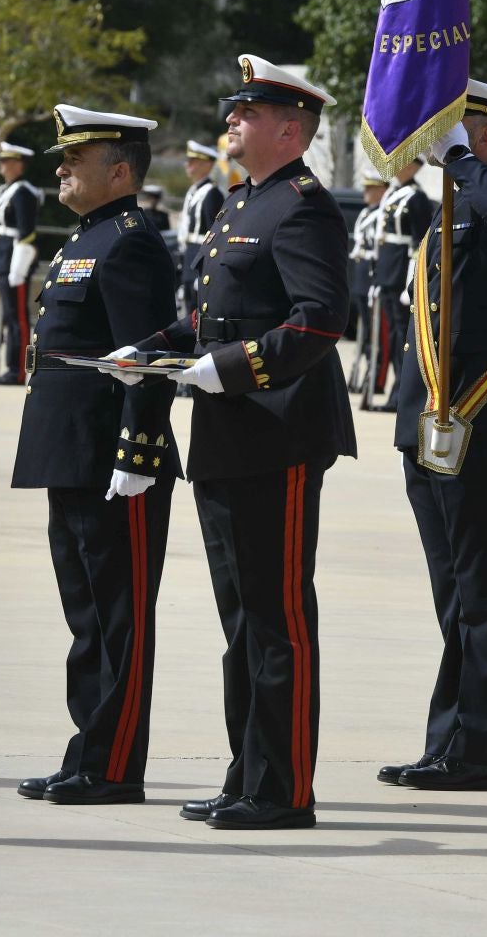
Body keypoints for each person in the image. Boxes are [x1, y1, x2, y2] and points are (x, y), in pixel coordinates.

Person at [107, 54, 354, 831]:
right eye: (233, 113)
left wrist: (236, 366)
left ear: (290, 128)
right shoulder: (239, 205)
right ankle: (248, 772)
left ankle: (285, 789)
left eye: (246, 115)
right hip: (222, 431)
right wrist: (149, 349)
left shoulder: (303, 208)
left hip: (276, 433)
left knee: (278, 617)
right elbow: (207, 317)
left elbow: (317, 318)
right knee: (240, 618)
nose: (231, 124)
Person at [11, 106, 181, 808]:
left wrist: (138, 451)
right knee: (87, 614)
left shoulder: (132, 241)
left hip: (114, 455)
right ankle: (89, 751)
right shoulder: (87, 238)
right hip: (69, 446)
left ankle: (114, 766)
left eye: (73, 162)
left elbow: (148, 354)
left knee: (119, 617)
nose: (60, 171)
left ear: (118, 170)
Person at [379, 80, 487, 794]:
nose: (433, 136)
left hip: (481, 419)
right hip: (429, 424)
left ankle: (477, 751)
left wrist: (466, 167)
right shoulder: (444, 210)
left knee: (480, 591)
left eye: (450, 126)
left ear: (482, 134)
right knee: (452, 595)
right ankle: (447, 740)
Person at [373, 157, 434, 410]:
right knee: (391, 333)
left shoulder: (416, 197)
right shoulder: (393, 193)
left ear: (412, 167)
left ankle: (400, 394)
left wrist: (411, 279)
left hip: (400, 271)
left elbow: (420, 243)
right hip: (387, 270)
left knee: (401, 336)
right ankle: (394, 393)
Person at [0, 142, 44, 386]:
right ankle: (9, 366)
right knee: (9, 316)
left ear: (18, 164)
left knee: (17, 318)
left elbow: (26, 233)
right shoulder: (5, 191)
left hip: (15, 260)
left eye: (7, 161)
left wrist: (18, 269)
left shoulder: (23, 193)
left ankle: (18, 370)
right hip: (2, 256)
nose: (2, 165)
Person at [348, 172, 388, 393]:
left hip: (374, 275)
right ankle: (363, 371)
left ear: (381, 190)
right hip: (361, 275)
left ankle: (377, 378)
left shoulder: (382, 213)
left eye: (370, 188)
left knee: (378, 333)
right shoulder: (365, 213)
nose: (365, 192)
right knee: (363, 330)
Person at [178, 140, 224, 319]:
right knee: (187, 306)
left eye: (193, 161)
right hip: (189, 254)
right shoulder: (193, 191)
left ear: (207, 164)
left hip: (200, 255)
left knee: (197, 309)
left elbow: (215, 234)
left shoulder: (212, 193)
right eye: (187, 160)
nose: (187, 164)